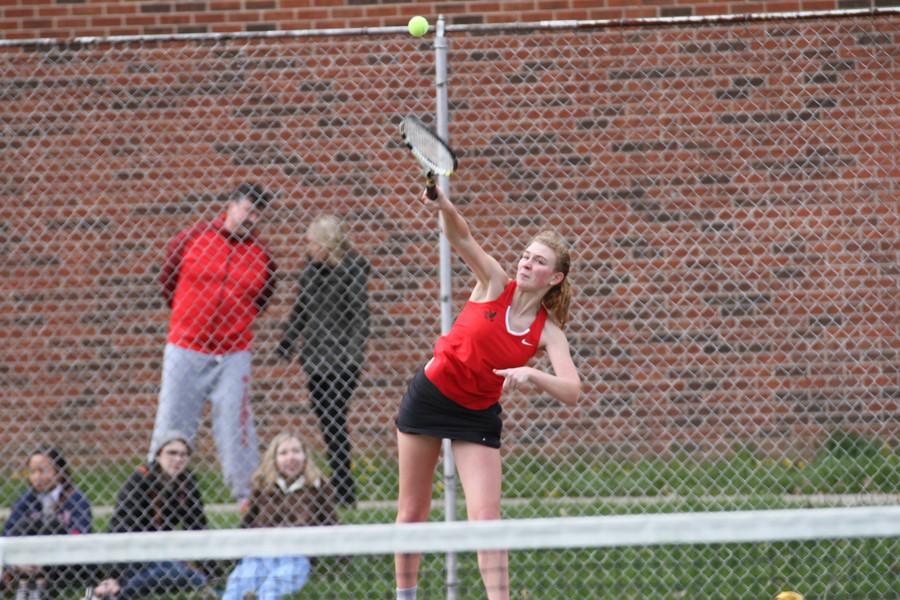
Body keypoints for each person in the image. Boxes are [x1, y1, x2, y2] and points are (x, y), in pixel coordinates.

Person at [393, 187, 581, 600]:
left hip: (475, 414)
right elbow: (461, 238)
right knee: (412, 513)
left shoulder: (548, 332)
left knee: (486, 519)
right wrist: (446, 206)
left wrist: (533, 373)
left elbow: (572, 391)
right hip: (430, 397)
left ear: (556, 277)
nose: (528, 263)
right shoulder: (495, 282)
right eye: (527, 256)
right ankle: (404, 596)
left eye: (540, 261)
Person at [149, 183, 278, 503]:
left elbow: (261, 300)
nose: (251, 218)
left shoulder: (262, 257)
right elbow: (168, 281)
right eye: (247, 209)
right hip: (186, 346)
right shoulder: (194, 238)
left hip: (233, 353)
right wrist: (188, 319)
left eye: (257, 214)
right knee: (172, 420)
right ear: (231, 207)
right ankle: (155, 492)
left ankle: (247, 500)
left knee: (238, 425)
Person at [277, 215, 371, 507]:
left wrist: (352, 358)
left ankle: (344, 490)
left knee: (335, 422)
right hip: (316, 360)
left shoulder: (351, 271)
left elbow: (360, 317)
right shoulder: (310, 273)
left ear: (327, 243)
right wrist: (287, 342)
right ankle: (342, 488)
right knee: (329, 423)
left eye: (313, 243)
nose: (309, 248)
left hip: (341, 362)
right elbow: (301, 310)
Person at [90, 432, 213, 599]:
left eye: (183, 454)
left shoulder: (187, 482)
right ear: (158, 455)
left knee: (191, 577)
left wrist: (209, 568)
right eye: (172, 453)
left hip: (165, 550)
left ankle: (112, 594)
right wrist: (114, 573)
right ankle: (118, 591)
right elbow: (120, 525)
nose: (178, 459)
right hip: (134, 550)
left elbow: (197, 525)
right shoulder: (140, 480)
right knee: (180, 574)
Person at [222, 431, 337, 600]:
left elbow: (331, 522)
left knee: (271, 590)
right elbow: (248, 522)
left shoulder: (316, 486)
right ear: (274, 459)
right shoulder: (263, 486)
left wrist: (341, 557)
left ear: (305, 456)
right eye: (284, 453)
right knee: (236, 588)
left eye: (296, 451)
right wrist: (234, 553)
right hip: (260, 553)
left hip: (296, 556)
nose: (291, 458)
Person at [2, 446, 93, 599]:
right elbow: (9, 532)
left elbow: (80, 533)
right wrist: (19, 562)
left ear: (59, 472)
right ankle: (26, 584)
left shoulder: (76, 498)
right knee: (25, 524)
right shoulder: (25, 499)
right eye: (32, 471)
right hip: (26, 560)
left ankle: (39, 583)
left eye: (42, 471)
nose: (36, 477)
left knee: (53, 525)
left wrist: (45, 560)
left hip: (62, 560)